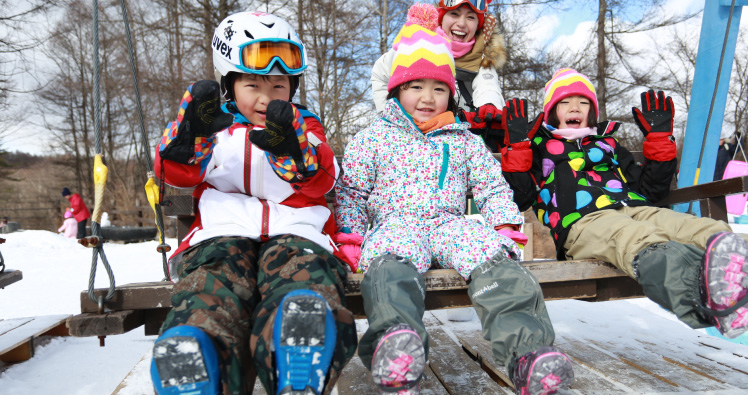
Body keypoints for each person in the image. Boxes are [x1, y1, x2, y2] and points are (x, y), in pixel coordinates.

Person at [501, 68, 748, 345]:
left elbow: (650, 190)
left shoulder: (608, 145)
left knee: (710, 234)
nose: (576, 108)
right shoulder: (537, 147)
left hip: (636, 207)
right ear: (551, 111)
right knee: (635, 237)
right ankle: (712, 300)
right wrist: (517, 151)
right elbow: (521, 197)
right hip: (583, 223)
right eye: (566, 102)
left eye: (583, 102)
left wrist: (659, 144)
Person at [335, 5, 573, 395]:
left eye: (439, 88)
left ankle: (528, 352)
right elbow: (352, 193)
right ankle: (397, 346)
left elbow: (491, 186)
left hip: (449, 225)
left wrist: (503, 225)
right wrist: (352, 237)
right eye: (416, 86)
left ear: (451, 93)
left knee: (494, 260)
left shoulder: (463, 140)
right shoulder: (372, 138)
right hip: (396, 224)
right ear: (397, 90)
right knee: (389, 270)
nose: (428, 97)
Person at [149, 12, 356, 395]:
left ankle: (298, 345)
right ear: (230, 84)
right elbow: (178, 174)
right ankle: (198, 352)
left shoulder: (304, 126)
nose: (267, 97)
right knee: (211, 287)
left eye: (278, 85)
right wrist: (188, 143)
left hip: (296, 232)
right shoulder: (215, 127)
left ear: (292, 86)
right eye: (252, 84)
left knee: (305, 277)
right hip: (221, 235)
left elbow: (325, 179)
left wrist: (296, 156)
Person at [371, 0, 506, 148]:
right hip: (410, 133)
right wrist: (391, 114)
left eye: (470, 17)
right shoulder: (417, 43)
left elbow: (487, 85)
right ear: (442, 17)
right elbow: (380, 72)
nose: (461, 23)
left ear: (478, 24)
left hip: (459, 135)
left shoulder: (481, 57)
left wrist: (489, 105)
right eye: (454, 14)